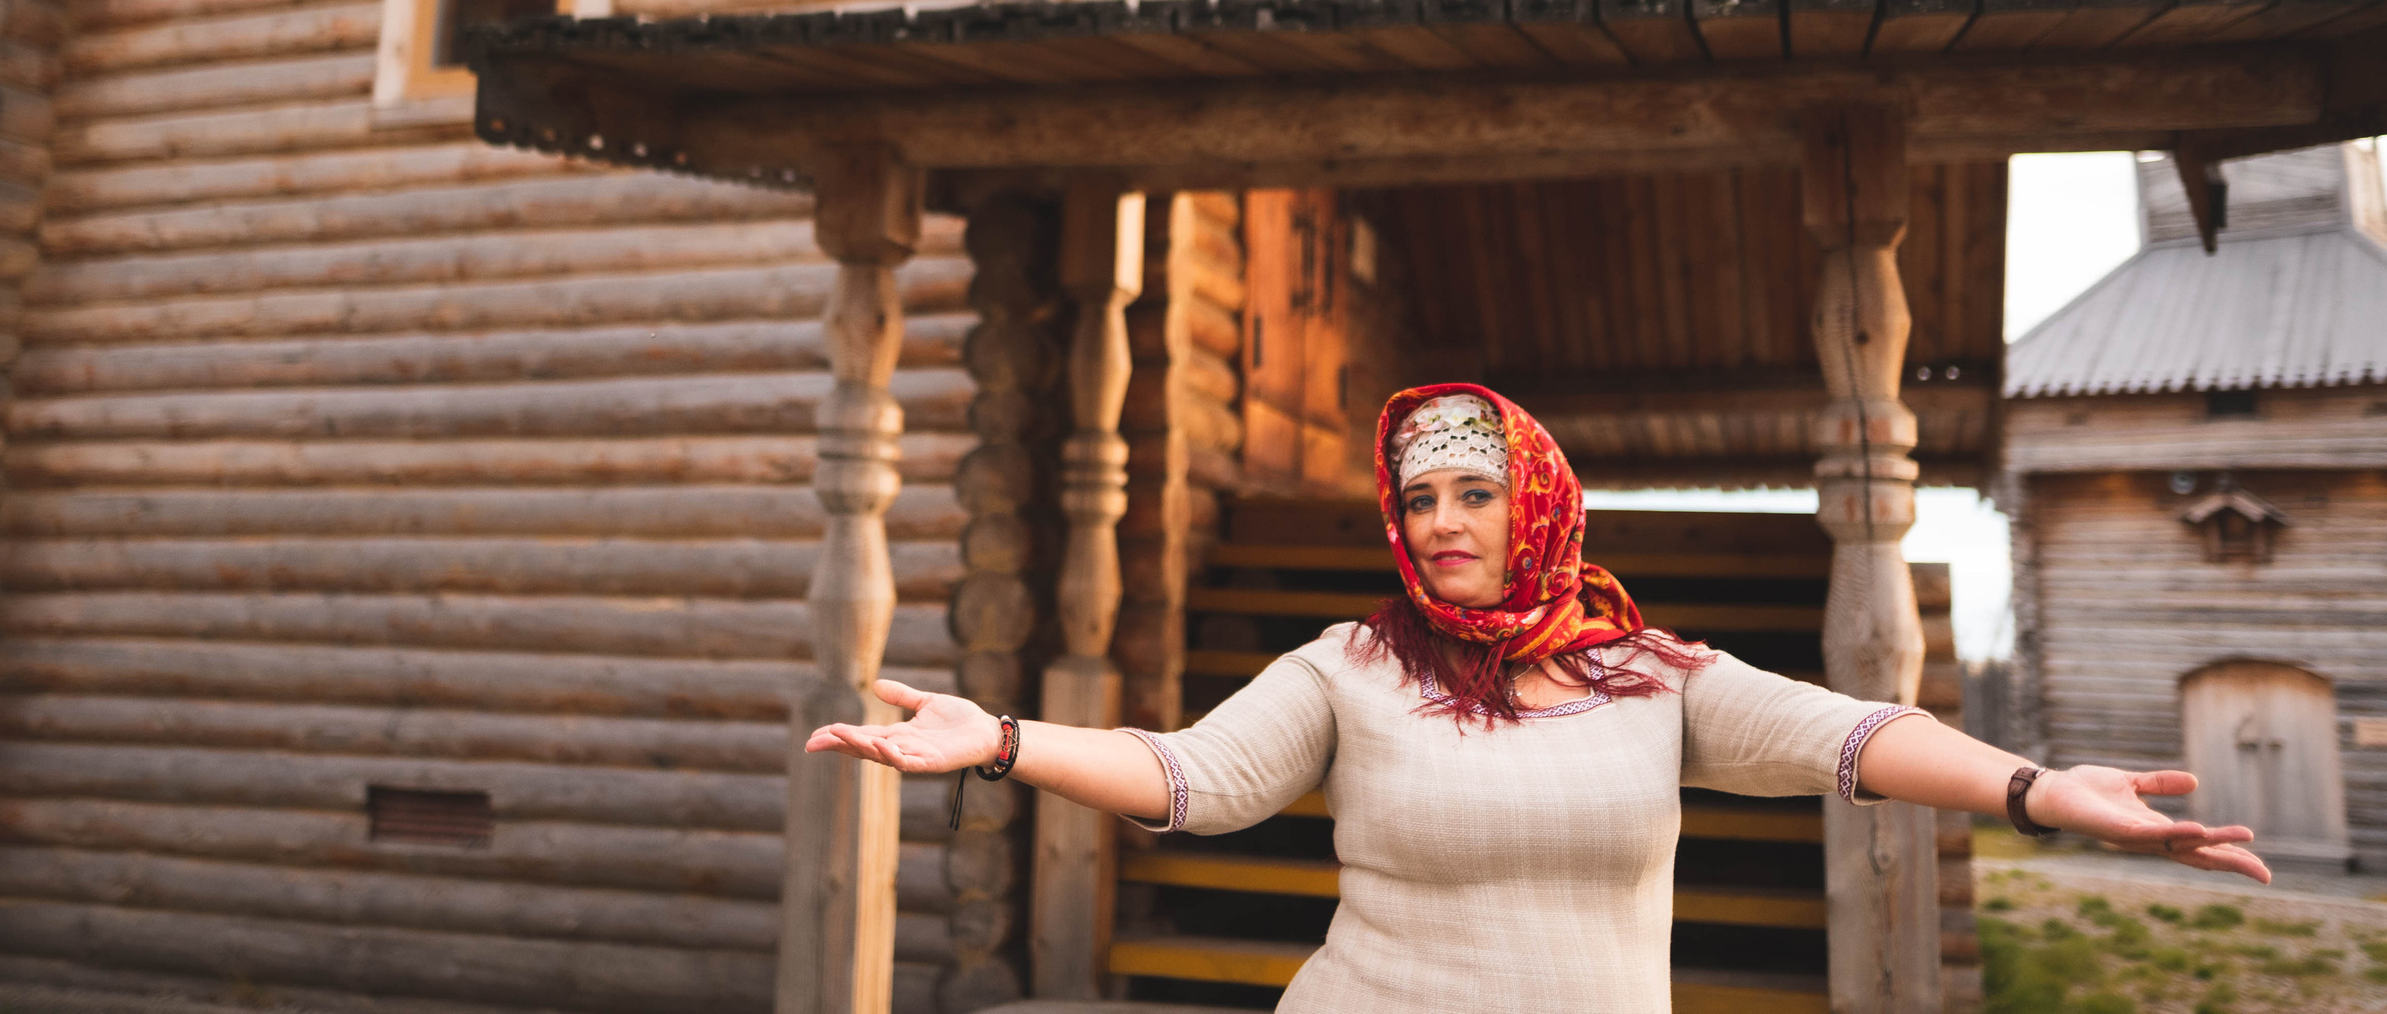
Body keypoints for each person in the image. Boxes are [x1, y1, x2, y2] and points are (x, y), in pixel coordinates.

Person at [809, 383, 2268, 1013]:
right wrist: (999, 738)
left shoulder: (1652, 676)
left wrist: (2036, 786)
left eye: (1475, 490)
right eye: (1419, 497)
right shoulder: (1352, 663)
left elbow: (1859, 734)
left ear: (1540, 502)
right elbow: (1193, 775)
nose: (1444, 520)